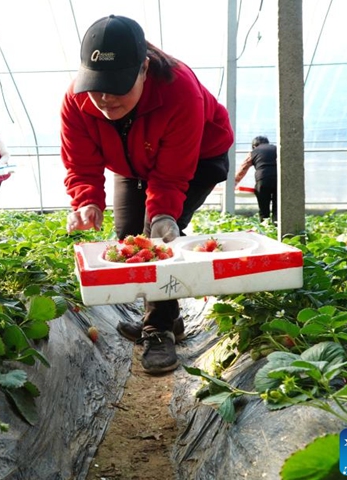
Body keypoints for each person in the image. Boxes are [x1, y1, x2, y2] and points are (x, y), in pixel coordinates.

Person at [61, 15, 234, 374]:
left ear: (143, 69)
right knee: (129, 238)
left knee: (155, 241)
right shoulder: (76, 101)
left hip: (198, 158)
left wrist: (164, 215)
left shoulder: (179, 90)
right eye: (97, 87)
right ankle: (169, 320)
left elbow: (170, 179)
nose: (105, 99)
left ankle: (158, 329)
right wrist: (87, 200)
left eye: (117, 85)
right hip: (133, 160)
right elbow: (81, 164)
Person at [234, 136, 278, 222]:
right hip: (279, 180)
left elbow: (243, 168)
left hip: (262, 179)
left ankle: (265, 226)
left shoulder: (253, 152)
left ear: (254, 146)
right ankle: (277, 226)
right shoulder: (277, 149)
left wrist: (235, 182)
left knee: (263, 208)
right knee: (278, 207)